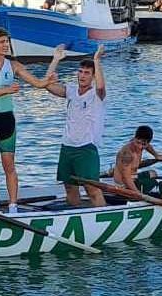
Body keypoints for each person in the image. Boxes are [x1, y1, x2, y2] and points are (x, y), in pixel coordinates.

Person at [0, 27, 57, 213]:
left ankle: (13, 204)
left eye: (7, 42)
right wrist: (8, 90)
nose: (6, 45)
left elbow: (38, 83)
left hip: (7, 119)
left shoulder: (15, 66)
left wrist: (52, 70)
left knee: (9, 164)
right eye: (2, 42)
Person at [45, 44, 107, 207]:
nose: (82, 75)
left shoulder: (96, 94)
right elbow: (47, 85)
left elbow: (101, 86)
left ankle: (100, 216)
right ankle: (75, 214)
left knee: (92, 189)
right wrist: (55, 59)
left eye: (87, 73)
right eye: (80, 72)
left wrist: (96, 60)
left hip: (86, 147)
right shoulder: (71, 91)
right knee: (70, 188)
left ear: (93, 76)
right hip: (67, 146)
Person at [113, 126, 162, 196]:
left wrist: (156, 155)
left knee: (153, 173)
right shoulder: (127, 154)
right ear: (135, 138)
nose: (140, 147)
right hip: (124, 185)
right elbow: (126, 178)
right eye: (138, 143)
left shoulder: (141, 143)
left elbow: (148, 146)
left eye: (143, 144)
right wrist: (138, 193)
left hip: (133, 177)